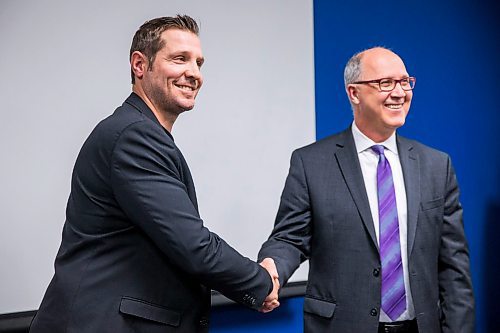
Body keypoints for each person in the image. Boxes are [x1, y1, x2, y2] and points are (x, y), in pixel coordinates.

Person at [30, 15, 279, 333]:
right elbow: (193, 246)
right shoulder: (135, 137)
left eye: (199, 63)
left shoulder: (139, 132)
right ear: (139, 65)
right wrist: (260, 282)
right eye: (180, 59)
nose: (194, 73)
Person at [258, 47, 474, 333]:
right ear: (354, 93)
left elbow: (454, 269)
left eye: (405, 82)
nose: (399, 92)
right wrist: (270, 271)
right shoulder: (311, 163)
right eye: (386, 83)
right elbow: (290, 239)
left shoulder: (436, 165)